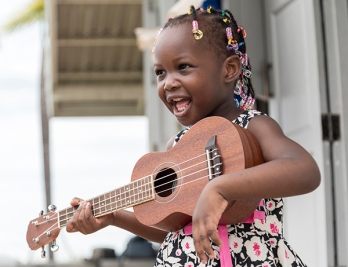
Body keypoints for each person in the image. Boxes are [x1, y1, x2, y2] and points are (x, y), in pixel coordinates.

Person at [66, 6, 321, 267]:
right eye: (160, 72)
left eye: (183, 67)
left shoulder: (253, 126)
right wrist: (114, 217)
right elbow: (175, 229)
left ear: (229, 70)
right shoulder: (175, 146)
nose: (169, 83)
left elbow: (305, 170)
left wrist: (219, 189)